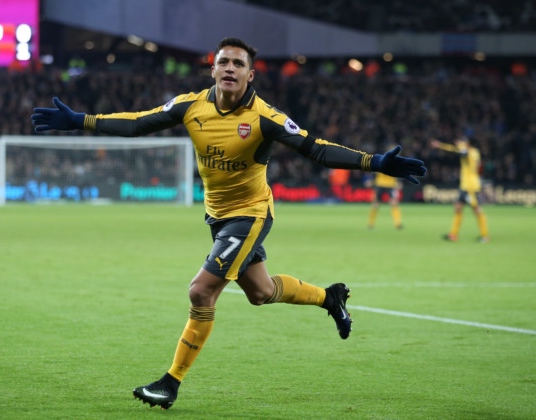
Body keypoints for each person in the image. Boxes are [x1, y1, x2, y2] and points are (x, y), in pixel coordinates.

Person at [32, 37, 427, 410]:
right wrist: (81, 120)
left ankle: (170, 383)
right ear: (213, 69)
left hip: (251, 214)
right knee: (260, 292)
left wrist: (374, 162)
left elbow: (316, 149)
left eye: (239, 63)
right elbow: (138, 122)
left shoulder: (265, 117)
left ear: (250, 75)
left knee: (201, 292)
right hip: (218, 217)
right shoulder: (191, 106)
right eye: (224, 61)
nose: (230, 68)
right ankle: (330, 297)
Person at [431, 136, 489, 243]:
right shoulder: (465, 149)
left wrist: (461, 148)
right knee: (457, 207)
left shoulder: (473, 152)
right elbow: (453, 149)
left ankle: (485, 236)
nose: (459, 143)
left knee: (476, 210)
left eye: (462, 142)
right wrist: (440, 145)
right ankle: (453, 234)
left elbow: (464, 154)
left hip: (471, 186)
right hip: (464, 186)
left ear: (467, 143)